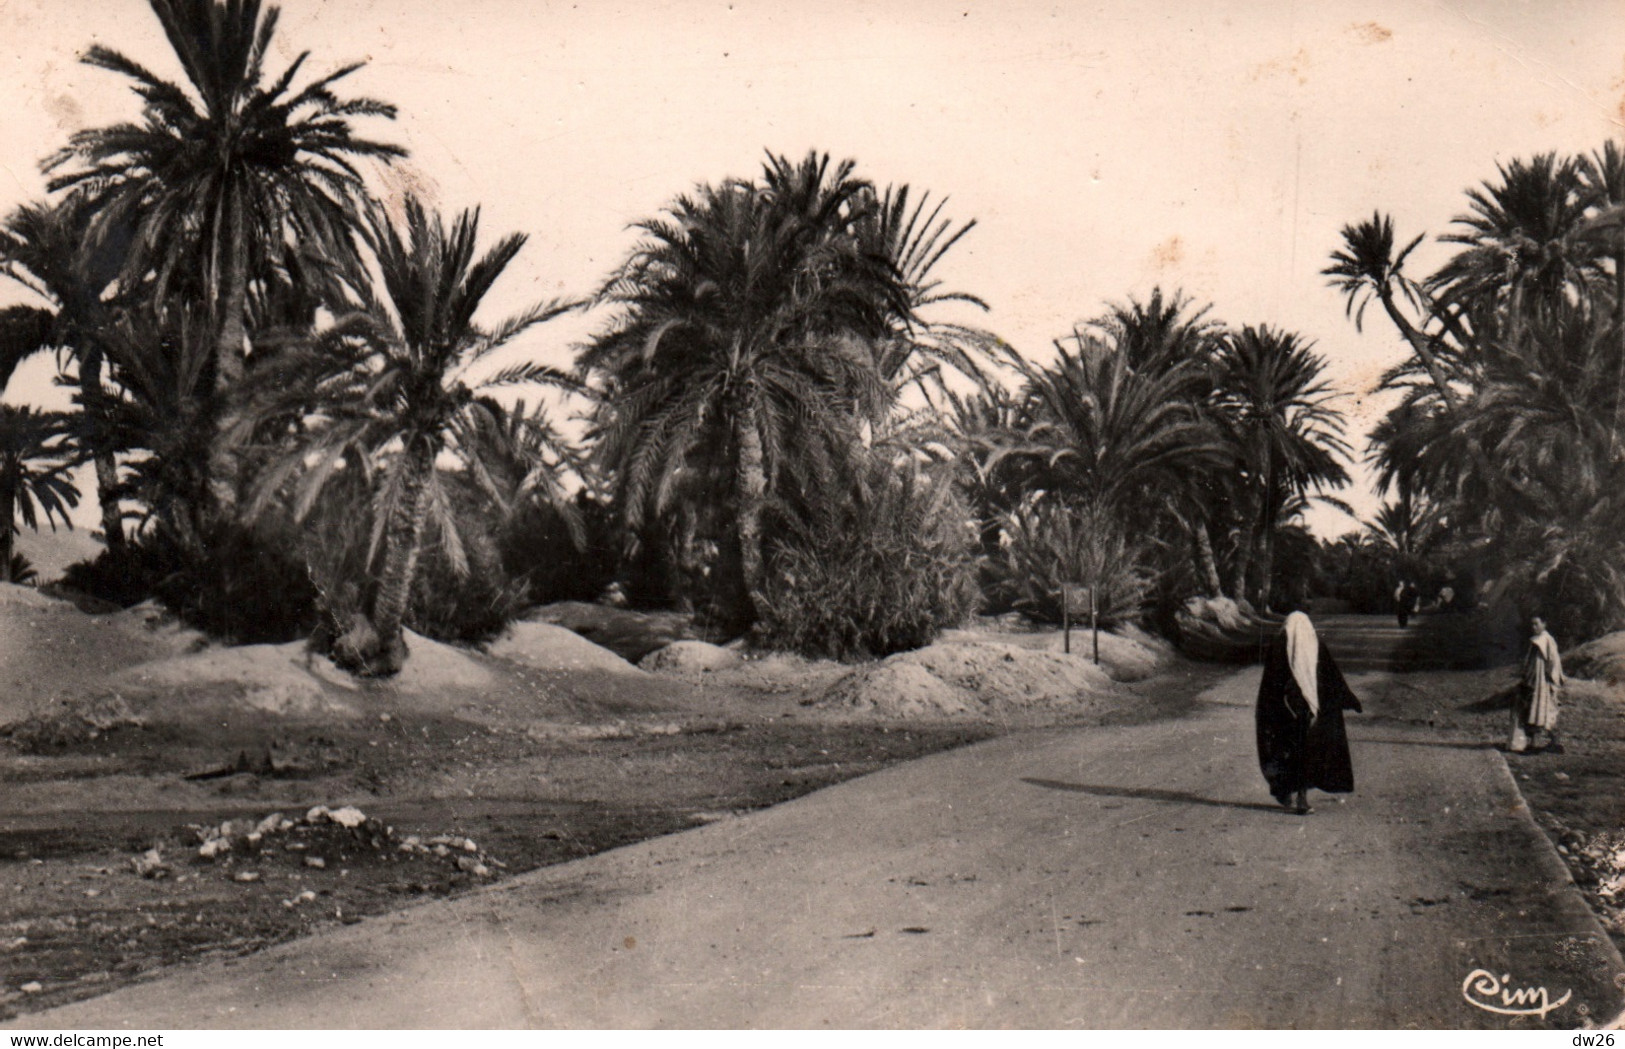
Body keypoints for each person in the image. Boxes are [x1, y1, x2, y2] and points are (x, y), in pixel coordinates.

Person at [1256, 611, 1363, 814]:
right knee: (1305, 752)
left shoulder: (1279, 645)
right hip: (1307, 709)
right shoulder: (1315, 644)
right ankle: (1299, 798)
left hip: (1286, 711)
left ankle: (1289, 793)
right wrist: (1349, 699)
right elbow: (1333, 676)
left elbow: (1269, 684)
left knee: (1287, 752)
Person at [1508, 615, 1565, 754]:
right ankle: (1532, 742)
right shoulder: (1535, 641)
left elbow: (1553, 661)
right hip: (1532, 680)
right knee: (1530, 711)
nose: (1533, 627)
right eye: (1532, 624)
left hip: (1542, 682)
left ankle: (1552, 741)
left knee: (1542, 711)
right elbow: (1529, 662)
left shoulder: (1547, 640)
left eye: (1536, 624)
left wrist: (1552, 679)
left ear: (1544, 624)